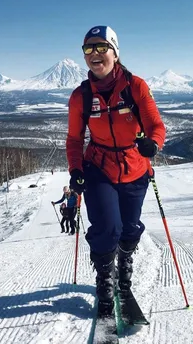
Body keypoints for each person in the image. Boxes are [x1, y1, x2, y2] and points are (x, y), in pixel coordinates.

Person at [66, 25, 166, 316]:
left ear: (115, 51)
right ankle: (105, 281)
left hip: (135, 166)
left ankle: (124, 270)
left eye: (101, 47)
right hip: (99, 166)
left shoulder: (136, 87)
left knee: (129, 229)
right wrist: (76, 169)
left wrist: (153, 144)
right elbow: (74, 139)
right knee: (108, 227)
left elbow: (156, 126)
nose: (94, 54)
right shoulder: (81, 96)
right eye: (88, 48)